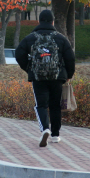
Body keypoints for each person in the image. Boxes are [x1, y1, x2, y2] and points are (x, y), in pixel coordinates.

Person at [15, 9, 75, 147]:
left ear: (39, 21)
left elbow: (19, 54)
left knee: (41, 105)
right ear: (53, 21)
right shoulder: (60, 38)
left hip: (38, 77)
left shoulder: (31, 38)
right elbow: (70, 58)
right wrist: (68, 75)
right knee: (55, 105)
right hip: (57, 77)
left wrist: (29, 68)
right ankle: (55, 135)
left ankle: (45, 129)